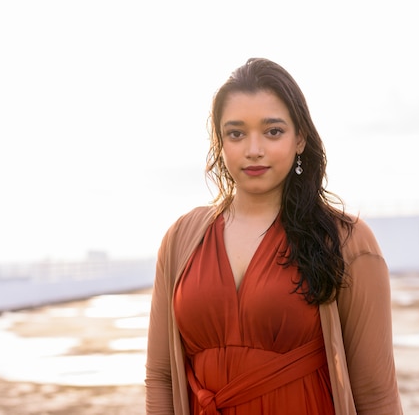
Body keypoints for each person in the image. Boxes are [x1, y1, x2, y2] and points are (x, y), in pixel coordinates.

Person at [145, 57, 402, 414]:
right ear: (220, 142)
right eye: (236, 133)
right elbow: (160, 377)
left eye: (273, 131)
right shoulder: (181, 239)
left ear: (300, 139)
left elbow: (376, 394)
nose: (254, 149)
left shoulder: (348, 242)